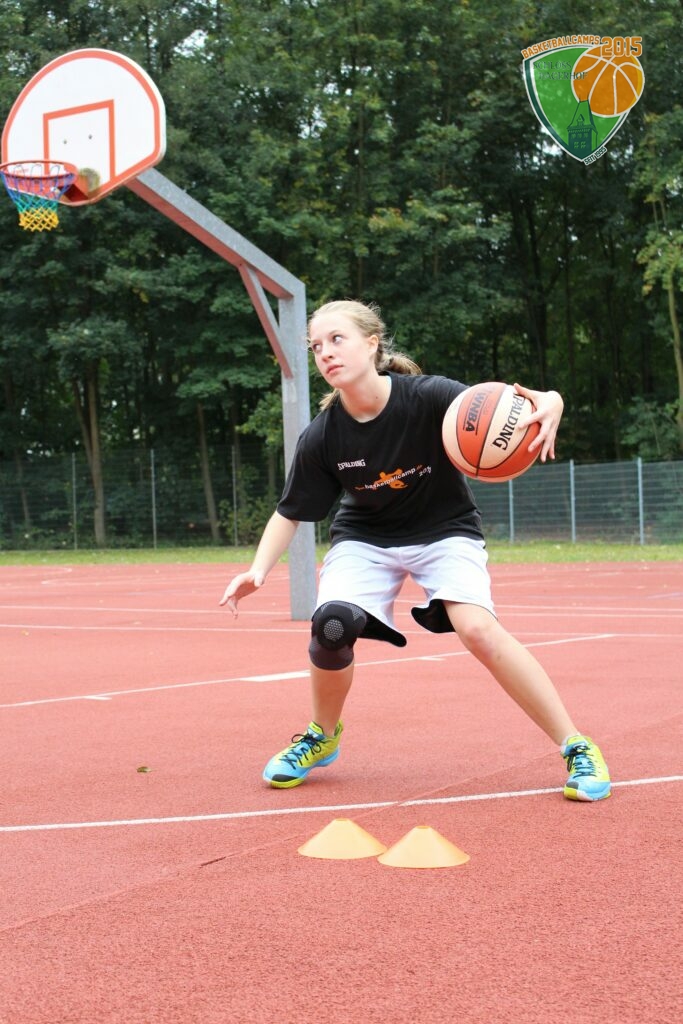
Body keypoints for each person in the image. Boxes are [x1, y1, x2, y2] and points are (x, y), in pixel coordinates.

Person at [220, 299, 611, 802]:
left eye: (337, 339)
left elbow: (506, 404)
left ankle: (576, 745)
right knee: (331, 626)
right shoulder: (323, 435)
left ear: (372, 343)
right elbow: (290, 510)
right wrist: (257, 570)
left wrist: (552, 399)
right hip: (366, 537)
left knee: (478, 630)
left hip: (444, 529)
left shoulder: (430, 397)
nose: (326, 353)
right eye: (316, 347)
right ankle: (322, 736)